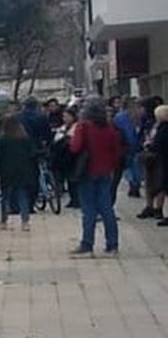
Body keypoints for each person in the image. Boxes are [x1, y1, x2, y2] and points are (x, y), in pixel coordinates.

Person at [70, 99, 123, 256]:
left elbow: (75, 147)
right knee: (107, 208)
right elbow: (116, 151)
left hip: (87, 171)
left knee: (89, 210)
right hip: (105, 171)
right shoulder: (109, 128)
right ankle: (112, 245)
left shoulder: (83, 126)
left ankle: (87, 244)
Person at [0, 116, 36, 231]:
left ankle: (3, 221)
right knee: (22, 196)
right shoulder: (25, 138)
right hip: (23, 171)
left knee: (5, 197)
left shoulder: (1, 139)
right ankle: (25, 222)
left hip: (6, 171)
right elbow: (32, 154)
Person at [52, 107, 81, 209]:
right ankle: (73, 199)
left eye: (67, 116)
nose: (65, 119)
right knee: (69, 178)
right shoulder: (63, 127)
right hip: (65, 156)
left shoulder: (77, 127)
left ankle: (77, 199)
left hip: (74, 156)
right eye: (64, 116)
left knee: (74, 179)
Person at [113, 96, 141, 201]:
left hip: (125, 144)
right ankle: (136, 183)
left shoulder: (119, 117)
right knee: (135, 165)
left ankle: (132, 183)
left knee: (128, 166)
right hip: (136, 143)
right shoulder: (137, 116)